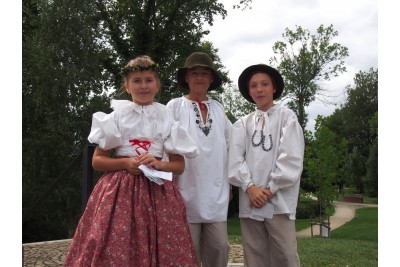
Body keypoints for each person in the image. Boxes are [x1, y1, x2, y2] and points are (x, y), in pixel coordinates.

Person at [64, 55, 199, 266]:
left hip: (159, 193)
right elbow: (98, 161)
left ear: (157, 85)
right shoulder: (117, 116)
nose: (143, 86)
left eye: (148, 80)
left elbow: (178, 165)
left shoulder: (166, 117)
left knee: (165, 245)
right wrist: (125, 163)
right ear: (127, 87)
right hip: (119, 194)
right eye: (137, 81)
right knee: (115, 244)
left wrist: (160, 164)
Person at [228, 64, 304, 267]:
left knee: (285, 255)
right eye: (253, 85)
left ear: (274, 88)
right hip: (250, 200)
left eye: (264, 84)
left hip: (279, 201)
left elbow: (291, 157)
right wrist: (251, 188)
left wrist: (269, 190)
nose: (259, 89)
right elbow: (235, 160)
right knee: (254, 256)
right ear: (249, 91)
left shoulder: (287, 117)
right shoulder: (243, 123)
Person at [166, 52, 231, 267]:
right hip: (184, 189)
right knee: (187, 252)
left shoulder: (219, 109)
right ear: (187, 77)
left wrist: (230, 184)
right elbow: (163, 143)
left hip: (216, 192)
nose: (199, 78)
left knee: (220, 247)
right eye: (194, 73)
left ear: (211, 79)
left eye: (205, 73)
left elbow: (231, 146)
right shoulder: (174, 106)